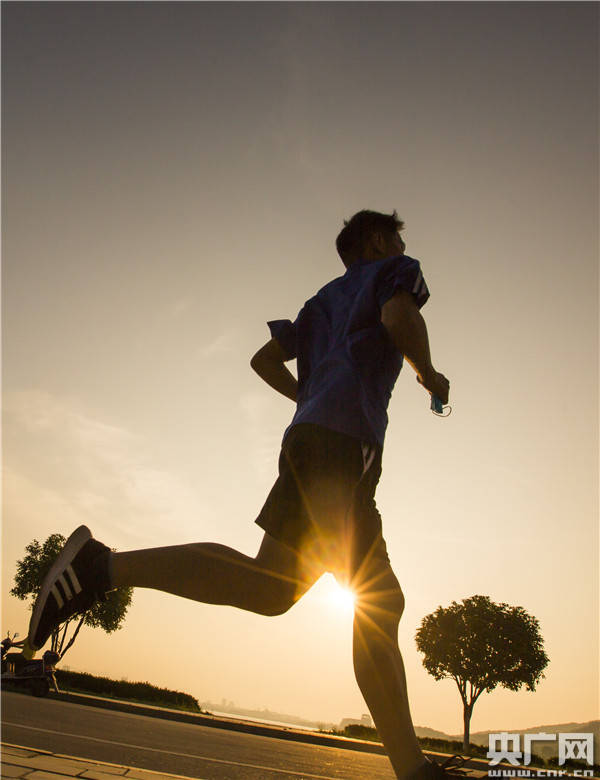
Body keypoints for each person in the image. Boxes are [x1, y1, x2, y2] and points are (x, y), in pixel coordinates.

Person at [25, 210, 452, 780]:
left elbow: (263, 360)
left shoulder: (322, 300)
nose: (403, 243)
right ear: (378, 240)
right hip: (344, 448)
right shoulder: (396, 271)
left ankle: (101, 567)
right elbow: (400, 314)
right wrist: (427, 373)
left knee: (271, 589)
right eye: (397, 235)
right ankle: (414, 770)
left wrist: (311, 398)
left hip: (310, 441)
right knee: (380, 601)